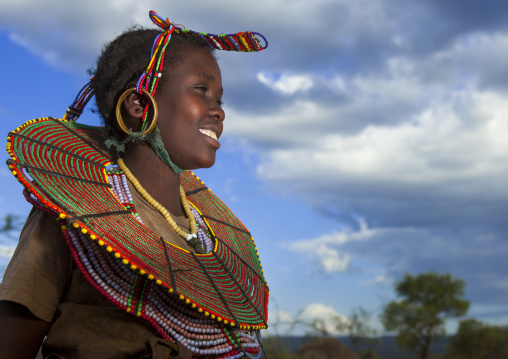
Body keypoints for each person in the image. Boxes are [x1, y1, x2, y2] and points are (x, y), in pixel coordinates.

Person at [0, 10, 269, 359]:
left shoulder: (211, 237)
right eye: (201, 90)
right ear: (140, 104)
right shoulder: (74, 213)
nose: (217, 111)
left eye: (219, 99)